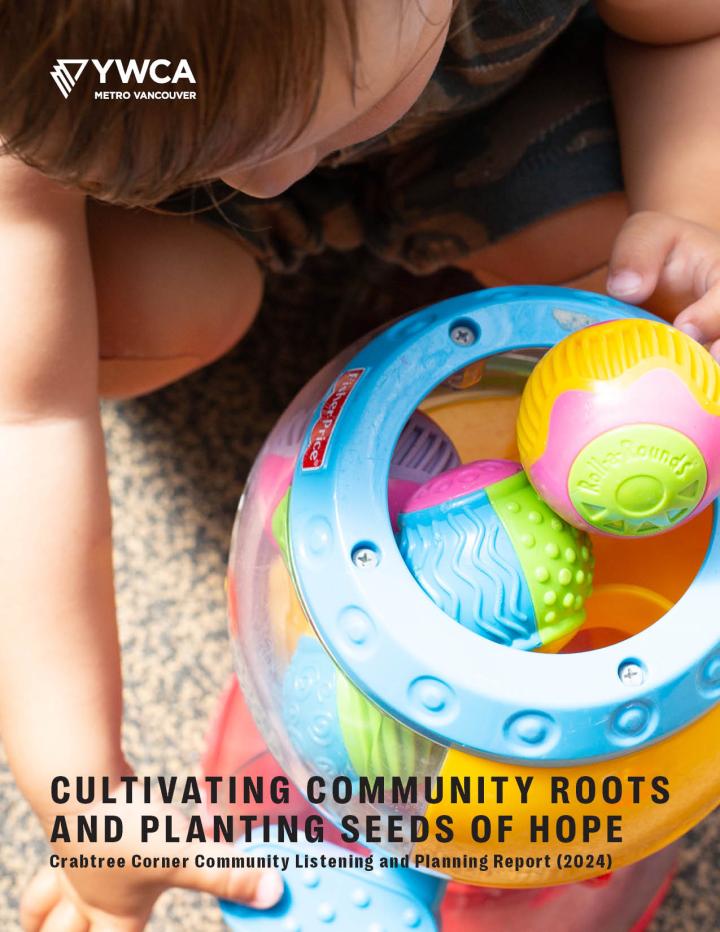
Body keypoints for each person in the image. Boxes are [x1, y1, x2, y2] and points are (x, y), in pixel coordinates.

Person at [0, 1, 719, 929]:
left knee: (635, 284)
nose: (262, 179)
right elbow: (25, 420)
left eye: (295, 128)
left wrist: (690, 213)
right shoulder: (90, 69)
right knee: (87, 311)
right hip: (172, 125)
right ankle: (236, 143)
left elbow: (688, 32)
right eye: (237, 147)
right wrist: (80, 790)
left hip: (498, 107)